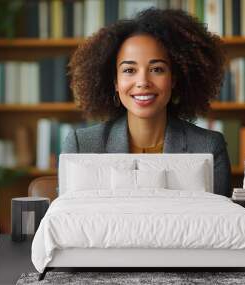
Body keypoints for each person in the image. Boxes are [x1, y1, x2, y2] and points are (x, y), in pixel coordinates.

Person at [62, 8, 231, 197]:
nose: (143, 82)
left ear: (174, 79)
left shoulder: (208, 147)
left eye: (157, 69)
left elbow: (219, 223)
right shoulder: (81, 146)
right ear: (115, 82)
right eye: (129, 70)